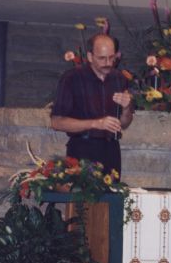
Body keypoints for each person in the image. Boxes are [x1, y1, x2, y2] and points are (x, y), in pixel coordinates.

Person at [51, 33, 133, 175]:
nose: (108, 62)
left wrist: (127, 108)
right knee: (83, 197)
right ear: (90, 57)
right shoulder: (71, 78)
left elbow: (124, 124)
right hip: (82, 149)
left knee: (112, 196)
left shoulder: (119, 79)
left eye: (112, 57)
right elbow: (56, 122)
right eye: (102, 58)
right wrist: (95, 123)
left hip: (111, 150)